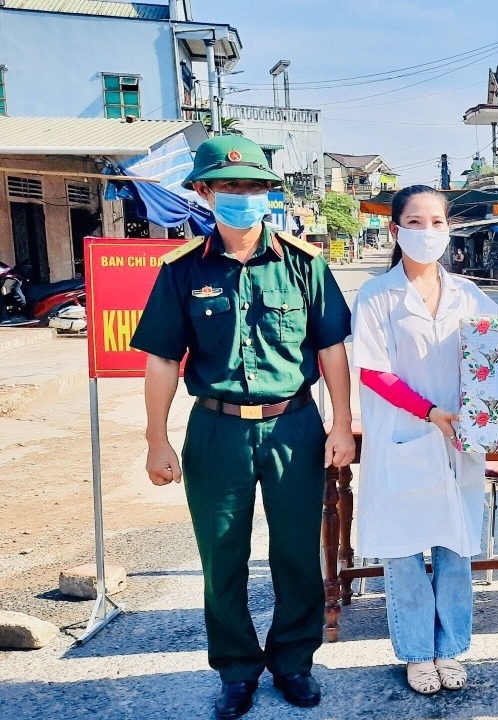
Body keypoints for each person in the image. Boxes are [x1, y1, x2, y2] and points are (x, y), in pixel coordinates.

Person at [131, 136, 356, 720]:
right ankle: (236, 669)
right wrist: (155, 439)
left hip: (293, 427)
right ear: (205, 192)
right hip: (216, 430)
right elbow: (162, 359)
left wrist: (341, 422)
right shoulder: (182, 270)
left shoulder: (304, 263)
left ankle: (294, 661)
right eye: (230, 186)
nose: (244, 195)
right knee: (221, 556)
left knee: (297, 552)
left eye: (254, 185)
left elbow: (331, 347)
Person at [350, 185, 498, 695]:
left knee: (456, 546)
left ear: (449, 229)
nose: (428, 231)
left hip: (459, 440)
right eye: (415, 222)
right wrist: (431, 413)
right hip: (405, 436)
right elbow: (374, 372)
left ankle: (451, 649)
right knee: (405, 551)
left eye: (437, 222)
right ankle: (417, 653)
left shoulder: (467, 294)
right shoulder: (377, 295)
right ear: (396, 230)